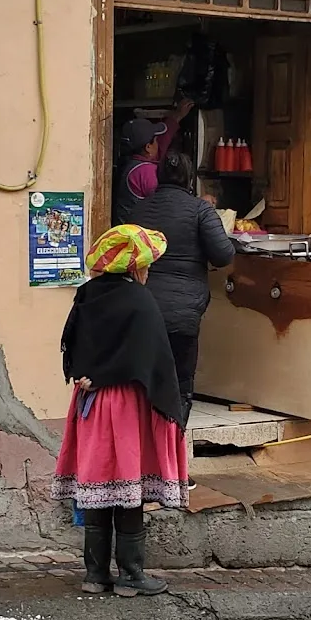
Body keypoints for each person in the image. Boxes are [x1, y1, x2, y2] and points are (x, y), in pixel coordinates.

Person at [51, 224, 189, 597]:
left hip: (90, 404)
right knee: (129, 486)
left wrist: (87, 375)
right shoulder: (140, 302)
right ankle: (131, 575)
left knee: (98, 483)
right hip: (127, 403)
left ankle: (95, 575)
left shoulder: (86, 294)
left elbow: (72, 344)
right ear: (135, 268)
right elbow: (152, 358)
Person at [134, 151, 234, 442]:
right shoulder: (200, 210)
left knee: (142, 384)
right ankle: (171, 465)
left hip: (142, 310)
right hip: (183, 315)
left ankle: (140, 461)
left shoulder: (138, 209)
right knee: (178, 387)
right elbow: (224, 254)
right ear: (189, 178)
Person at [112, 98, 194, 224]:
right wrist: (199, 204)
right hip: (139, 236)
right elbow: (168, 203)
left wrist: (176, 117)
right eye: (155, 139)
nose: (158, 143)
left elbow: (161, 146)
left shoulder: (133, 164)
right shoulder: (145, 171)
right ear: (148, 147)